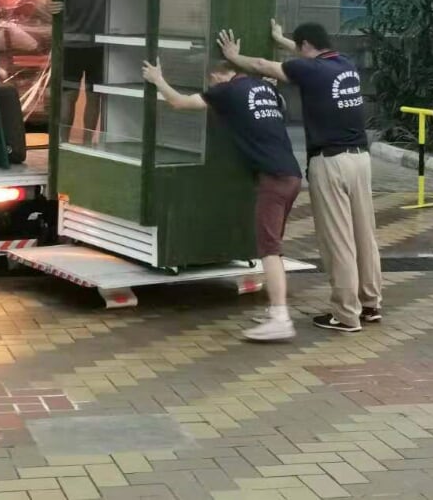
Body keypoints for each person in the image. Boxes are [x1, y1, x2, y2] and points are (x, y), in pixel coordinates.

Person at [218, 20, 381, 334]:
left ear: (306, 46)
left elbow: (262, 65)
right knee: (365, 236)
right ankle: (371, 304)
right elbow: (304, 57)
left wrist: (233, 57)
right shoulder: (345, 65)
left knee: (338, 241)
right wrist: (281, 40)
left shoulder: (310, 70)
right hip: (361, 160)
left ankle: (346, 314)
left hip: (331, 163)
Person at [142, 57, 302, 342]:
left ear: (216, 77)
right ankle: (274, 311)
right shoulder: (264, 88)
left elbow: (178, 102)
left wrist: (158, 80)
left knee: (269, 249)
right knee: (273, 245)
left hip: (273, 179)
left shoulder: (225, 91)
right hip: (292, 175)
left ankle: (281, 318)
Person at [58, 0, 105, 145]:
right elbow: (55, 2)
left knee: (91, 97)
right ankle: (67, 145)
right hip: (75, 42)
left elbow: (55, 1)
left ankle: (79, 145)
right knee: (72, 96)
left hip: (96, 43)